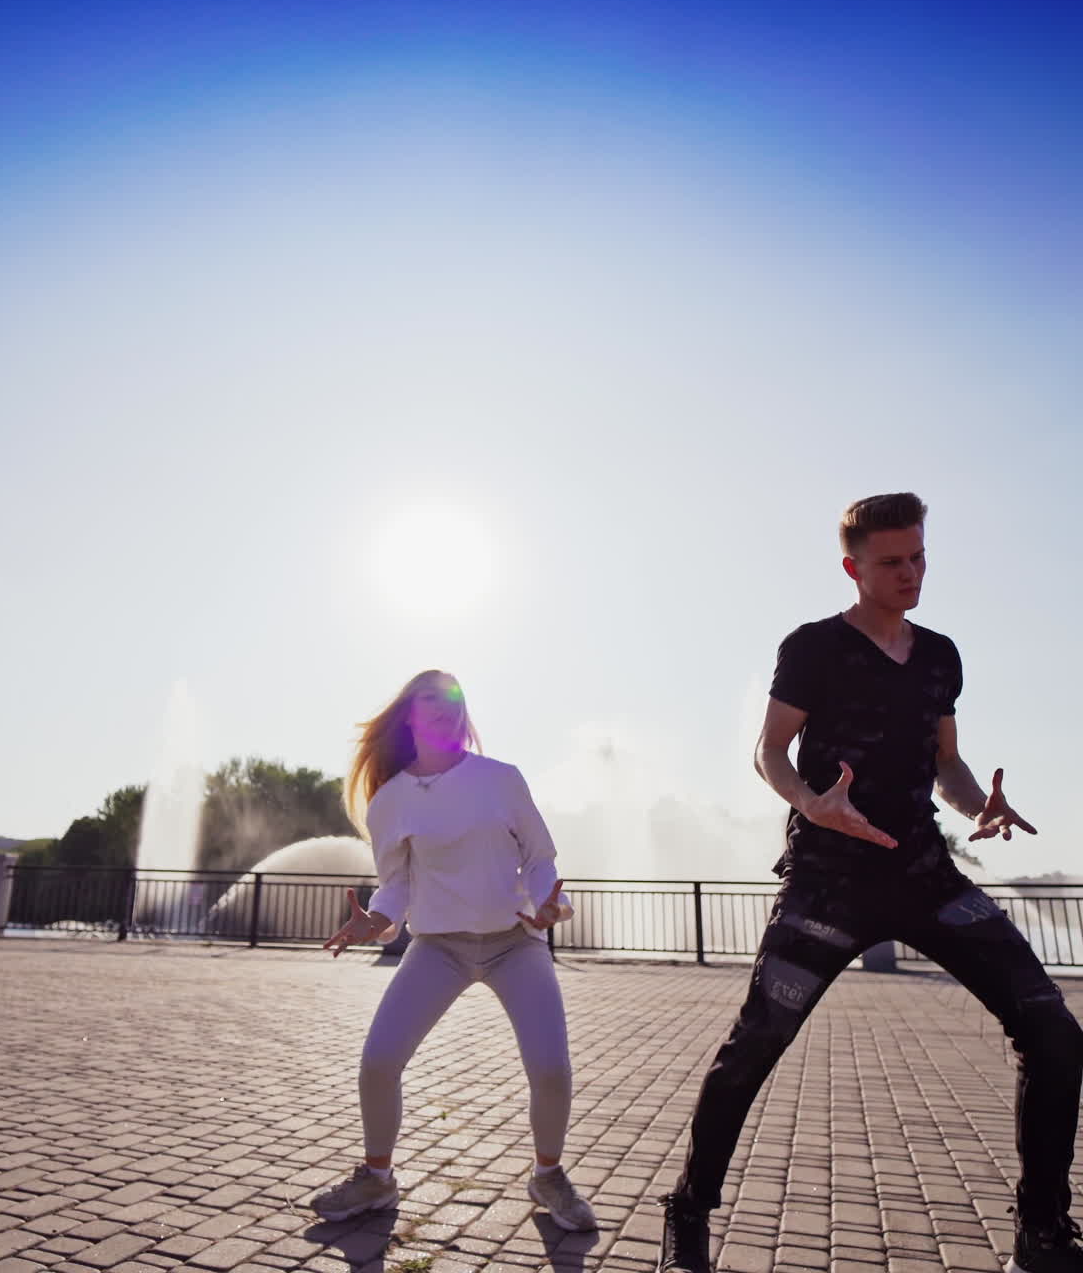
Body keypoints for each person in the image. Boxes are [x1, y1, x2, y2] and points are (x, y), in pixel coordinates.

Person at [660, 493, 1083, 1273]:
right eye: (892, 561)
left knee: (1055, 1033)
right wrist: (807, 803)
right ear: (854, 568)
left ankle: (1044, 1228)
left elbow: (946, 762)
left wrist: (974, 802)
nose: (911, 572)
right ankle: (688, 1210)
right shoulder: (813, 647)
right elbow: (770, 752)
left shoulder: (940, 654)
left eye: (919, 556)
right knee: (756, 1044)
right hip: (829, 882)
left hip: (924, 875)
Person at [311, 669, 596, 1233]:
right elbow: (396, 883)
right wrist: (380, 919)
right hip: (438, 948)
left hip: (516, 944)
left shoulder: (501, 780)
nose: (444, 710)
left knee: (551, 1067)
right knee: (378, 1061)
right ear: (409, 715)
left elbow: (540, 859)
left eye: (453, 701)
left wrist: (549, 905)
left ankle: (548, 1174)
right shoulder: (389, 802)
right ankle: (377, 1178)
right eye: (430, 702)